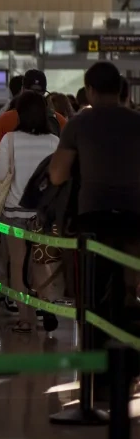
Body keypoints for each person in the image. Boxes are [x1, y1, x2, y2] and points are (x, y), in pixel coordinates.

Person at [50, 61, 140, 347]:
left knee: (95, 284)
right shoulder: (137, 121)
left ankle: (94, 350)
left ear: (89, 90)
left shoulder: (79, 123)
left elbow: (57, 174)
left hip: (93, 214)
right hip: (132, 214)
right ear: (121, 89)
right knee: (129, 281)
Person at [0, 91, 60, 333]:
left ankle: (25, 319)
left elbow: (0, 175)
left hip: (14, 212)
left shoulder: (9, 140)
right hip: (43, 213)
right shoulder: (53, 141)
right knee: (42, 263)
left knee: (17, 265)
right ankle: (49, 306)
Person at [0, 69, 67, 173]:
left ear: (22, 90)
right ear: (45, 93)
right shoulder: (59, 121)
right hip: (47, 185)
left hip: (14, 185)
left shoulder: (6, 119)